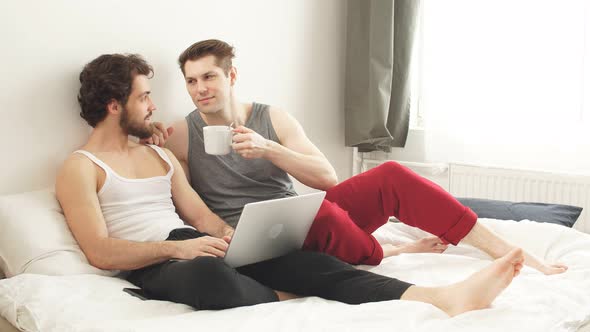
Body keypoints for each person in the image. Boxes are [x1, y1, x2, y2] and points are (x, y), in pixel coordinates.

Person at [56, 52, 525, 316]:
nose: (154, 107)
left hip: (198, 244)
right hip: (159, 260)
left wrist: (230, 238)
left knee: (304, 260)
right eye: (144, 98)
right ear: (115, 106)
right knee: (209, 276)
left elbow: (200, 216)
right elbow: (100, 251)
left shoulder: (158, 153)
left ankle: (439, 297)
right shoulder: (80, 167)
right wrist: (177, 250)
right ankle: (285, 291)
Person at [148, 39, 567, 274]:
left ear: (231, 76)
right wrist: (149, 139)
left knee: (390, 174)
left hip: (301, 217)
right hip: (254, 239)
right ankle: (392, 252)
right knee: (326, 218)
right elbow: (180, 195)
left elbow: (328, 178)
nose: (200, 88)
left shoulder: (271, 117)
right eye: (191, 81)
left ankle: (508, 251)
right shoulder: (182, 134)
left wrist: (269, 148)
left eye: (209, 77)